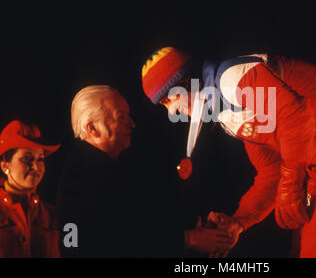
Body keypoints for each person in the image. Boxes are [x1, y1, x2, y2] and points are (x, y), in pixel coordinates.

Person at [141, 47, 316, 257]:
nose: (172, 112)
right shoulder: (225, 115)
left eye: (168, 101)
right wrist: (239, 221)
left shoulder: (232, 78)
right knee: (302, 249)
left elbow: (296, 117)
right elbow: (271, 172)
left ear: (185, 83)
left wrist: (291, 184)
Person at [56, 85, 231, 257]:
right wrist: (189, 238)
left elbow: (143, 219)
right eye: (121, 117)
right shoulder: (79, 181)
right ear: (92, 128)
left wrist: (196, 225)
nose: (132, 124)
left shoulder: (110, 169)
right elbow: (113, 241)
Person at [0, 120, 60, 257]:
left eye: (40, 159)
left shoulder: (56, 217)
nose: (36, 166)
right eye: (27, 158)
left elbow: (74, 249)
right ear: (5, 165)